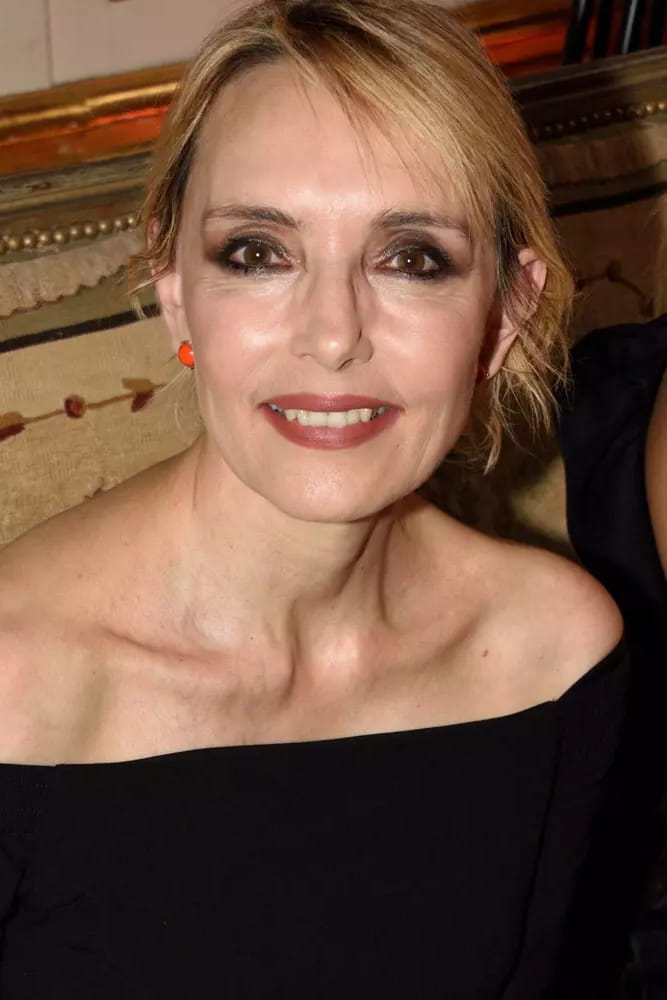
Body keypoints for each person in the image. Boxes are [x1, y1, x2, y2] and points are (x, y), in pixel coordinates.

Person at [0, 1, 626, 996]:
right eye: (258, 252)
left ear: (503, 313)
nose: (332, 336)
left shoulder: (550, 653)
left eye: (410, 258)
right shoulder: (17, 680)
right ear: (174, 289)